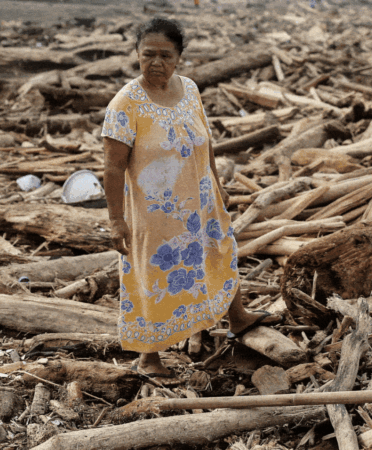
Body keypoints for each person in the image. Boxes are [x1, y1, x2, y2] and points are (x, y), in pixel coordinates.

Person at [102, 18, 280, 378]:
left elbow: (206, 141)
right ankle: (149, 357)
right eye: (147, 54)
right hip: (156, 212)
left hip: (200, 200)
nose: (156, 63)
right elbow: (112, 168)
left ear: (179, 58)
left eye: (165, 55)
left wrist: (215, 182)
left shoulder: (190, 90)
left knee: (219, 251)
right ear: (136, 55)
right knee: (151, 274)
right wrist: (116, 219)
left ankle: (238, 317)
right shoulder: (125, 104)